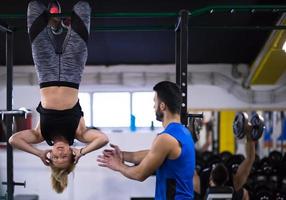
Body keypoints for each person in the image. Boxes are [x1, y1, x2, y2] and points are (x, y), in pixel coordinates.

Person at [9, 0, 109, 193]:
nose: (60, 154)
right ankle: (61, 26)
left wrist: (38, 153)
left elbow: (13, 140)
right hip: (73, 71)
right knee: (82, 7)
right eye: (65, 158)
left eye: (55, 158)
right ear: (72, 155)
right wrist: (83, 151)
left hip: (45, 72)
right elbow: (103, 139)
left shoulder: (40, 135)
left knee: (34, 7)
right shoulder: (79, 133)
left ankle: (55, 27)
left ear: (51, 154)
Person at [97, 81, 196, 200]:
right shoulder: (184, 133)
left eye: (155, 101)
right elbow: (150, 154)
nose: (154, 106)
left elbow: (140, 174)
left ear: (162, 106)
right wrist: (122, 155)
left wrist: (119, 166)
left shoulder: (165, 138)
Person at [193, 130, 255, 200]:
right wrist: (249, 134)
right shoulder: (235, 182)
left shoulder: (200, 184)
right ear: (228, 177)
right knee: (244, 192)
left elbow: (187, 165)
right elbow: (250, 158)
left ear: (210, 179)